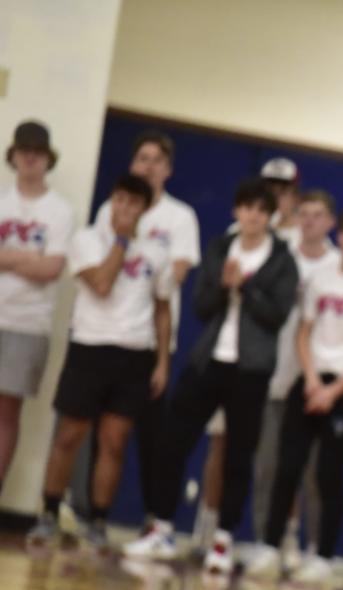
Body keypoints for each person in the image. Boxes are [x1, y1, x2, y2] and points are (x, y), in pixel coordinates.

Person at [122, 179, 298, 572]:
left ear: (270, 217)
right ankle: (162, 527)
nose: (251, 216)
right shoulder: (221, 248)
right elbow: (201, 305)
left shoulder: (283, 259)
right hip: (209, 361)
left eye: (260, 210)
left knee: (239, 453)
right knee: (172, 441)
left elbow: (278, 315)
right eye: (245, 208)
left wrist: (246, 288)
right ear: (236, 211)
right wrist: (224, 286)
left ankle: (223, 540)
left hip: (251, 368)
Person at [26, 174, 171, 551]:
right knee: (70, 436)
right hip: (90, 348)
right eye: (120, 199)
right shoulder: (87, 240)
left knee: (115, 441)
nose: (125, 208)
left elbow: (162, 308)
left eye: (134, 203)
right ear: (112, 200)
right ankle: (49, 512)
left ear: (144, 209)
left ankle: (100, 520)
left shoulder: (156, 251)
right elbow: (103, 284)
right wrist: (121, 241)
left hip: (135, 353)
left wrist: (161, 362)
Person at [258, 205, 343, 584]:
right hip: (309, 380)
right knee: (287, 466)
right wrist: (310, 379)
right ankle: (271, 547)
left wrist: (334, 390)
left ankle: (322, 554)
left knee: (328, 472)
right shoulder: (321, 278)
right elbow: (304, 331)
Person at [90, 131, 201, 523]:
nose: (148, 166)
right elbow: (99, 267)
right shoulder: (111, 210)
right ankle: (94, 516)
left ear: (168, 170)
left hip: (152, 339)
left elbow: (178, 271)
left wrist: (145, 274)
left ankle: (156, 521)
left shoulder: (180, 216)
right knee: (102, 434)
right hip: (106, 332)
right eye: (141, 158)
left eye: (156, 160)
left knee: (152, 437)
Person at [249, 190, 341, 570]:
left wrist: (317, 378)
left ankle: (312, 548)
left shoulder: (339, 266)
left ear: (330, 221)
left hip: (315, 380)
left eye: (318, 215)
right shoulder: (278, 254)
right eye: (304, 214)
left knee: (315, 472)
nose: (309, 221)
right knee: (270, 465)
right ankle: (268, 542)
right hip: (274, 371)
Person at [0, 121, 74, 498]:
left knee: (6, 414)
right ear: (12, 156)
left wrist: (7, 259)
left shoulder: (59, 211)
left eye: (38, 151)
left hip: (28, 323)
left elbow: (52, 269)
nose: (30, 157)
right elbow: (38, 263)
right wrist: (26, 257)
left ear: (48, 159)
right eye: (23, 150)